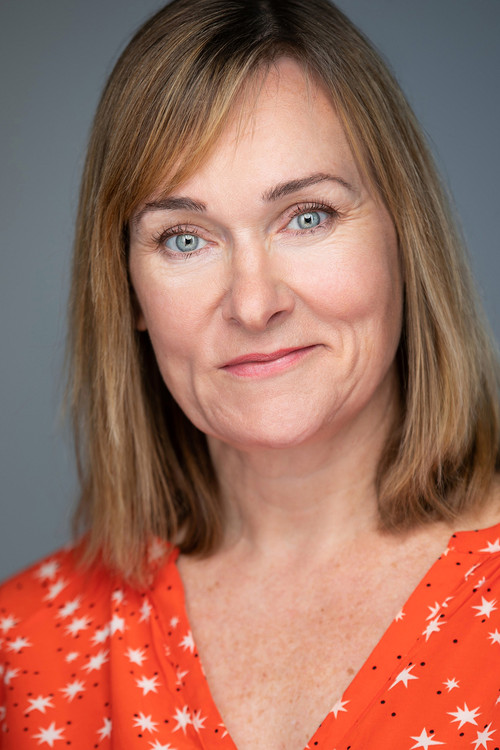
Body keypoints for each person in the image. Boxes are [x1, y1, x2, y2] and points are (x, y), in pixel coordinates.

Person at [1, 0, 499, 747]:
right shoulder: (25, 650)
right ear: (127, 290)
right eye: (184, 238)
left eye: (308, 216)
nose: (254, 304)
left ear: (405, 234)